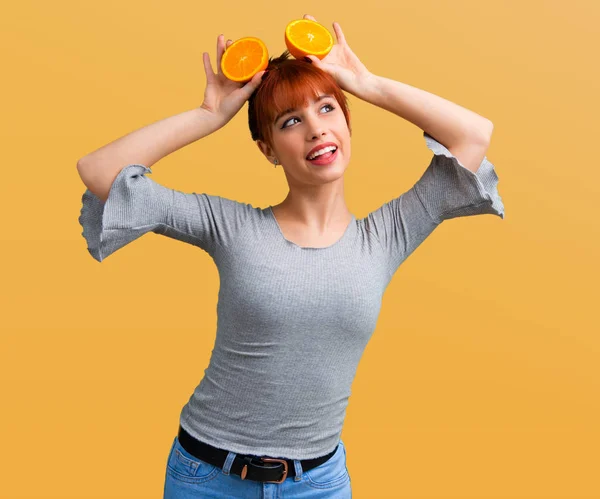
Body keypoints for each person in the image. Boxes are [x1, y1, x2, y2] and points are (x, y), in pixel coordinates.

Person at [76, 16, 504, 499]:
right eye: (291, 121)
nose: (316, 130)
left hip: (317, 484)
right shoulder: (232, 227)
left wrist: (364, 84)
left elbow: (473, 134)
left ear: (346, 122)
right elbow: (100, 170)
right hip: (207, 477)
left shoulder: (388, 234)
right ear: (269, 150)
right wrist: (208, 116)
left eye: (326, 109)